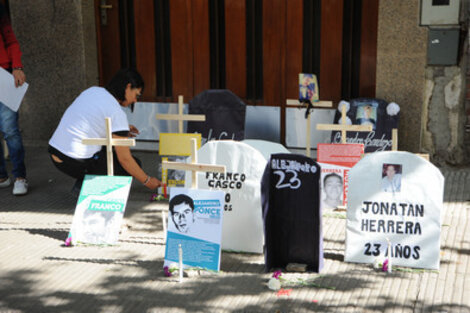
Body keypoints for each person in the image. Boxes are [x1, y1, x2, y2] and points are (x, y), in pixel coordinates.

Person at [48, 68, 162, 193]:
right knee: (132, 164)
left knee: (106, 149)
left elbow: (92, 119)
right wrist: (147, 180)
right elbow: (125, 160)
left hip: (56, 153)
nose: (135, 100)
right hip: (76, 161)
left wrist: (123, 128)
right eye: (136, 95)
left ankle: (85, 181)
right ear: (128, 87)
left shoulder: (92, 91)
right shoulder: (116, 113)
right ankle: (87, 187)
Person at [0, 4, 28, 195]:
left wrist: (17, 66)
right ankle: (2, 177)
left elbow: (11, 41)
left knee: (10, 130)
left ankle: (20, 177)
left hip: (4, 75)